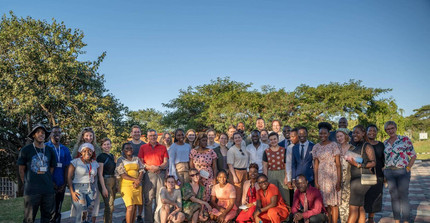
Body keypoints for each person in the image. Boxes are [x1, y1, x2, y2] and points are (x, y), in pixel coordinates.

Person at [18, 124, 56, 223]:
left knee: (47, 218)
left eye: (43, 133)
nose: (41, 134)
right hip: (32, 191)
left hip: (47, 190)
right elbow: (21, 169)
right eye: (38, 132)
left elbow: (51, 168)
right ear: (34, 135)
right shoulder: (26, 150)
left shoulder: (50, 150)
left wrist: (45, 178)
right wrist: (26, 183)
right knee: (29, 219)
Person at [383, 121, 416, 223]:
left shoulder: (405, 140)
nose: (390, 131)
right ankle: (397, 219)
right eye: (388, 129)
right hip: (389, 172)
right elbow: (384, 160)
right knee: (394, 197)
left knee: (403, 196)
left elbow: (413, 155)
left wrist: (408, 167)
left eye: (392, 128)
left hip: (402, 172)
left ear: (396, 128)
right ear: (386, 131)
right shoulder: (385, 143)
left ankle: (406, 219)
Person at [312, 122, 341, 223]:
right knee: (327, 204)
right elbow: (315, 166)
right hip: (321, 177)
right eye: (320, 133)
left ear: (329, 134)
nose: (322, 135)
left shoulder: (334, 145)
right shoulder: (316, 147)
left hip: (332, 176)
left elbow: (338, 164)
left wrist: (339, 180)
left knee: (334, 204)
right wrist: (316, 181)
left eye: (325, 133)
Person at [346, 125, 376, 223]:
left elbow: (373, 162)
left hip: (361, 180)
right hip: (355, 178)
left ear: (363, 134)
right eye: (353, 132)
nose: (355, 134)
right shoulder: (355, 145)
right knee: (360, 208)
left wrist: (358, 165)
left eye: (357, 132)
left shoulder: (367, 146)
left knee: (353, 209)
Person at [71, 127, 101, 223]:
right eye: (87, 135)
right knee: (82, 209)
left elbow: (97, 164)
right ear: (83, 136)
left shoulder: (96, 148)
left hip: (92, 181)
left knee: (92, 207)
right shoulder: (77, 148)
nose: (89, 137)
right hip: (80, 182)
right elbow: (73, 163)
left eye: (91, 135)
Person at [138, 129, 169, 223]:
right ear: (147, 137)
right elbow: (140, 161)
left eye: (154, 135)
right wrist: (149, 167)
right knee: (148, 199)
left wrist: (158, 167)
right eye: (150, 135)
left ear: (157, 136)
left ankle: (157, 220)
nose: (153, 137)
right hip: (148, 175)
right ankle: (148, 220)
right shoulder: (143, 147)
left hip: (160, 174)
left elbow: (166, 162)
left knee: (159, 199)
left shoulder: (163, 147)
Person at [45, 126, 72, 223]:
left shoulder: (64, 149)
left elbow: (67, 167)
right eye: (54, 132)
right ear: (50, 134)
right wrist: (51, 183)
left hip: (61, 184)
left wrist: (64, 184)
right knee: (49, 210)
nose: (57, 134)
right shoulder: (45, 147)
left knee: (58, 210)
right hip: (49, 184)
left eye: (59, 132)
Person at [116, 143, 145, 223]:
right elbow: (122, 174)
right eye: (127, 148)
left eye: (131, 148)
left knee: (135, 206)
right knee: (130, 207)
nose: (129, 150)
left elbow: (141, 169)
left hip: (137, 185)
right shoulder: (120, 160)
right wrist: (135, 180)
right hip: (126, 185)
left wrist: (138, 180)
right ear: (123, 150)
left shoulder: (136, 158)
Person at [364, 124, 385, 223]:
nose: (372, 132)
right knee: (364, 197)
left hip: (378, 175)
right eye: (370, 131)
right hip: (364, 174)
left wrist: (385, 176)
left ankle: (371, 218)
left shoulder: (381, 145)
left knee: (375, 197)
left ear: (377, 132)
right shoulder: (363, 144)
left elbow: (384, 161)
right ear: (366, 132)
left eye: (374, 131)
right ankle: (362, 217)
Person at [262, 132, 289, 206]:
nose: (273, 141)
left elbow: (286, 164)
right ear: (269, 141)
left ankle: (286, 214)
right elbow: (265, 166)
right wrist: (266, 178)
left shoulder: (284, 150)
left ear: (278, 139)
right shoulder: (266, 152)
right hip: (271, 174)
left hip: (282, 173)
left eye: (274, 139)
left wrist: (286, 177)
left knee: (284, 193)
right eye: (271, 140)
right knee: (273, 195)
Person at [189, 133, 218, 201]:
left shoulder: (211, 151)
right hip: (197, 177)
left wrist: (214, 178)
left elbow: (214, 166)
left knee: (209, 195)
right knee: (198, 195)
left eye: (206, 140)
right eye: (203, 140)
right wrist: (195, 177)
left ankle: (209, 210)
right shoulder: (193, 152)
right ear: (199, 141)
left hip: (209, 177)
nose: (205, 142)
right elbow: (191, 166)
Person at [335, 128, 354, 223]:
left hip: (349, 179)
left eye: (341, 136)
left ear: (346, 136)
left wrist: (352, 160)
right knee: (339, 203)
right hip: (336, 179)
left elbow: (359, 162)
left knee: (347, 203)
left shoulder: (352, 148)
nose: (339, 138)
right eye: (337, 137)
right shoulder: (335, 148)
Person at [127, 125, 146, 222]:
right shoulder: (127, 144)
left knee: (140, 196)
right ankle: (130, 216)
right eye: (135, 132)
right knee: (130, 196)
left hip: (141, 173)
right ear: (131, 133)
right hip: (129, 174)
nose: (136, 133)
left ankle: (139, 216)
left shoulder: (144, 144)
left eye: (138, 131)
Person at [97, 138, 117, 223]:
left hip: (113, 180)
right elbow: (100, 174)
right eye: (104, 144)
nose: (106, 146)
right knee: (109, 205)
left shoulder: (112, 156)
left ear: (111, 145)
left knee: (111, 205)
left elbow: (115, 171)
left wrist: (116, 184)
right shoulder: (101, 157)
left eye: (108, 144)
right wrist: (103, 188)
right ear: (101, 146)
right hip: (105, 180)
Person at [227, 132, 250, 206]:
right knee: (237, 193)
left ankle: (242, 212)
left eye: (239, 137)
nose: (237, 139)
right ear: (233, 140)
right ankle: (235, 213)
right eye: (235, 138)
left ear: (241, 138)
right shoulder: (232, 150)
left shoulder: (244, 148)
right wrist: (234, 176)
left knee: (244, 193)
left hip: (244, 172)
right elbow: (230, 164)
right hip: (236, 172)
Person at [284, 128, 299, 205]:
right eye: (290, 136)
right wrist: (289, 179)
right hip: (294, 177)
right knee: (296, 198)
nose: (291, 138)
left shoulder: (310, 144)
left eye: (293, 136)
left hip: (307, 178)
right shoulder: (290, 148)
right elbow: (288, 164)